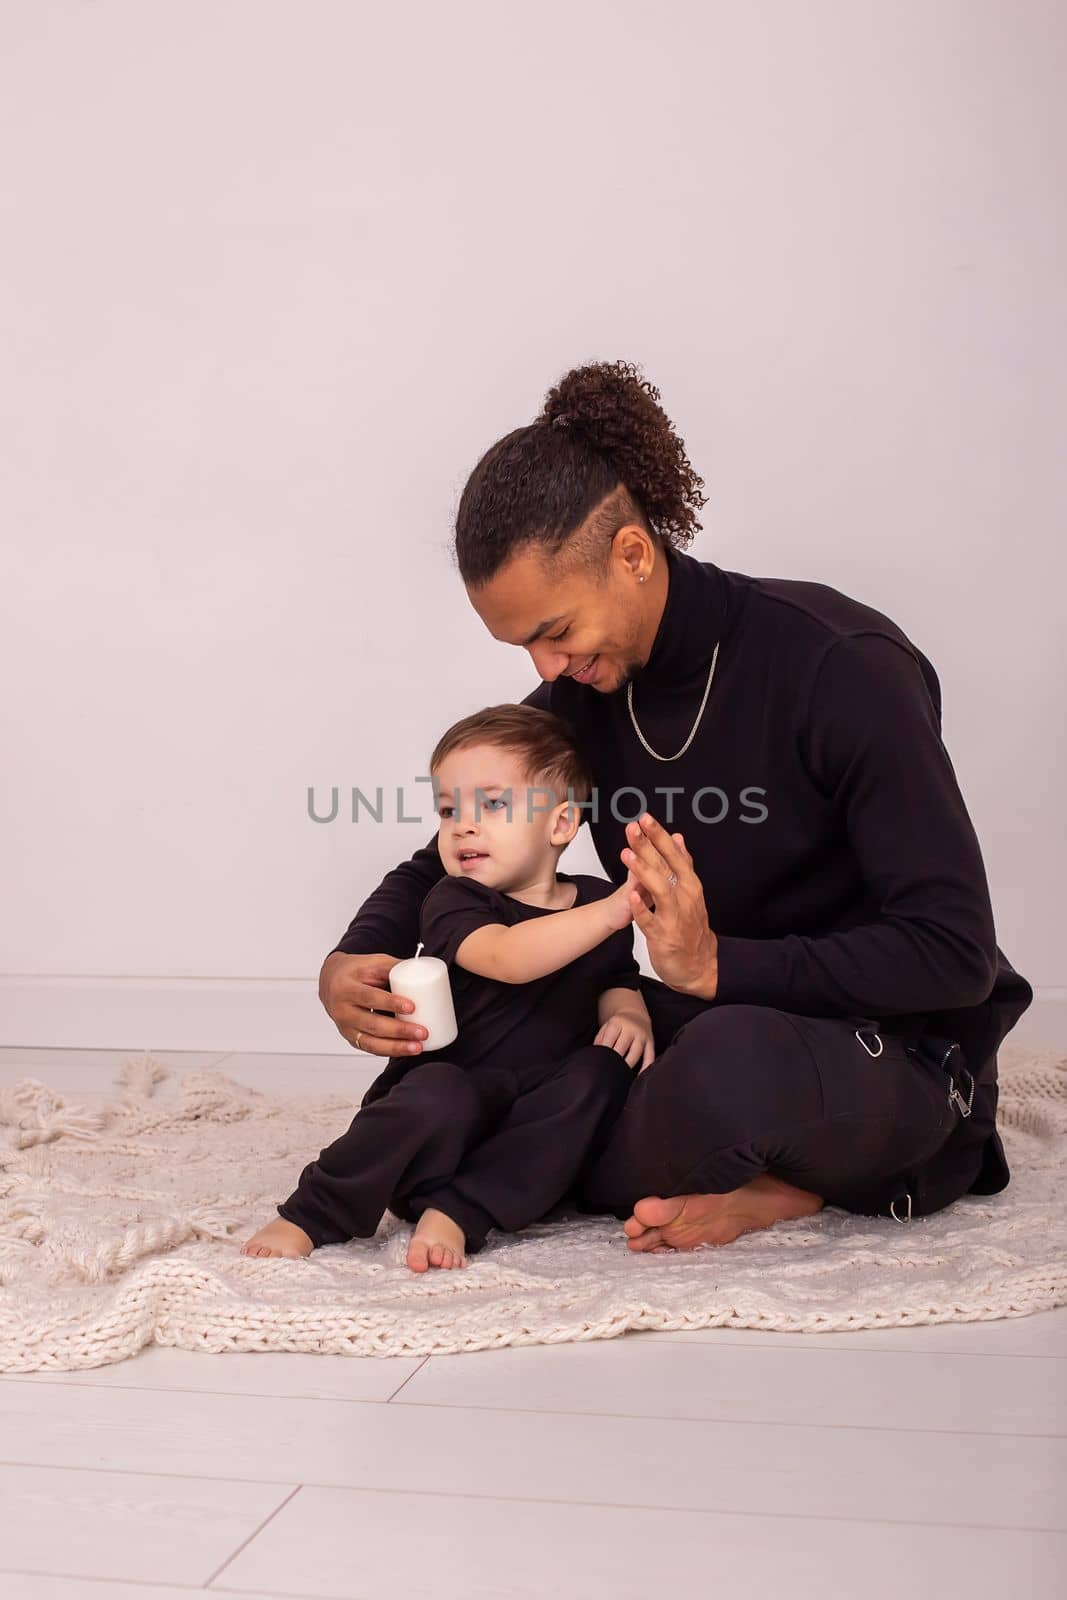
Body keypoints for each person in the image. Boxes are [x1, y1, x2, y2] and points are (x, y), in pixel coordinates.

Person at [318, 358, 1034, 1254]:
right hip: (708, 1024)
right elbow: (452, 849)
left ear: (631, 554)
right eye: (521, 644)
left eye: (554, 632)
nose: (542, 669)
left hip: (894, 1050)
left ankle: (784, 1173)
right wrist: (357, 954)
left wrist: (713, 968)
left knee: (730, 1068)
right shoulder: (581, 705)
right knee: (486, 1082)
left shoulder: (837, 667)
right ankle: (735, 1169)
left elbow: (952, 956)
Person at [242, 704, 651, 1271]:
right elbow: (507, 957)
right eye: (448, 808)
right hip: (444, 1113)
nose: (463, 824)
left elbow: (614, 974)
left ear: (559, 824)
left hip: (527, 1126)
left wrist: (629, 1012)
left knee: (599, 1074)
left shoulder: (590, 898)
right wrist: (615, 911)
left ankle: (462, 1209)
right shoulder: (456, 899)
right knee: (437, 1096)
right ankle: (315, 1211)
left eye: (492, 804)